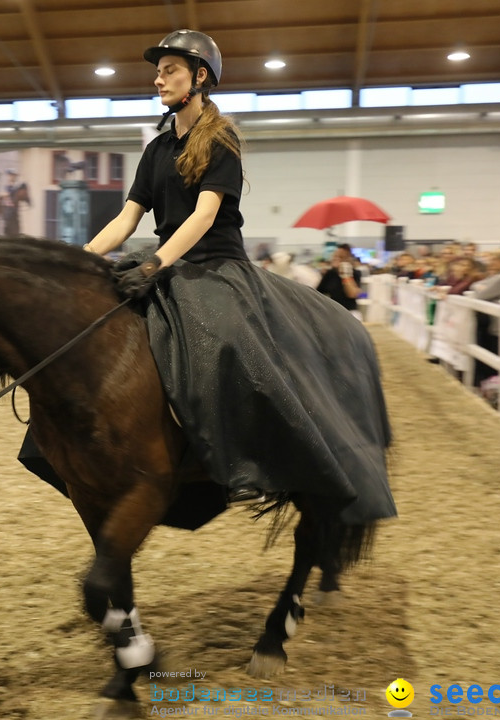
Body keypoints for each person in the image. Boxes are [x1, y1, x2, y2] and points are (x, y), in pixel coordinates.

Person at [77, 29, 395, 521]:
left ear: (199, 77)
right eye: (158, 71)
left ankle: (245, 465)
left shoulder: (220, 137)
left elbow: (204, 216)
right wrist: (82, 257)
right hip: (168, 264)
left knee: (225, 344)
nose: (158, 79)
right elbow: (127, 218)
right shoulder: (156, 151)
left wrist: (157, 262)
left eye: (169, 71)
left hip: (216, 265)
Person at [316, 243, 363, 316]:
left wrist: (345, 275)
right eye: (335, 256)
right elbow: (318, 292)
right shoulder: (330, 274)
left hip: (350, 312)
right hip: (333, 312)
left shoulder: (355, 273)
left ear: (348, 259)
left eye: (340, 257)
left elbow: (352, 294)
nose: (336, 259)